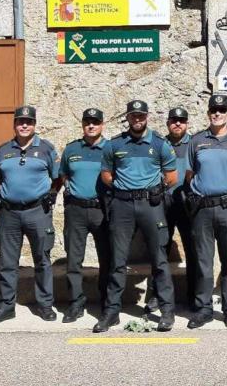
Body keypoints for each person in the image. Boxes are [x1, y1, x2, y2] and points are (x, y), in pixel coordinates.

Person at [93, 100, 177, 333]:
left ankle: (167, 311)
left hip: (150, 205)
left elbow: (172, 177)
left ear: (147, 117)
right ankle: (111, 312)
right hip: (122, 206)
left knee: (159, 260)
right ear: (128, 117)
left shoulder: (159, 144)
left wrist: (157, 190)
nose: (137, 119)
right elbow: (106, 175)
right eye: (133, 115)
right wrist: (122, 188)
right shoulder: (115, 144)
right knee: (117, 261)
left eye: (141, 115)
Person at [0, 105, 61, 324]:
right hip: (9, 213)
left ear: (34, 125)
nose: (24, 125)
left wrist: (51, 195)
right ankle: (6, 306)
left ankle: (45, 305)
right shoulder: (3, 150)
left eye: (28, 122)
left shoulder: (46, 149)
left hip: (38, 211)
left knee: (42, 259)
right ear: (15, 125)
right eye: (20, 122)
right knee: (8, 262)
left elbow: (58, 178)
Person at [185, 95, 227, 329]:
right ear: (208, 113)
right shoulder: (196, 140)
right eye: (213, 110)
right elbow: (189, 173)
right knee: (203, 261)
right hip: (202, 208)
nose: (217, 114)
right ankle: (203, 309)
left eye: (222, 110)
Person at [59, 107, 112, 323]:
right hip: (76, 211)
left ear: (102, 125)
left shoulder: (110, 148)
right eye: (87, 122)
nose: (91, 126)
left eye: (95, 122)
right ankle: (76, 303)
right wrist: (72, 191)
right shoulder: (71, 149)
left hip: (102, 209)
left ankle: (107, 302)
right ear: (82, 124)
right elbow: (63, 175)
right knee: (74, 259)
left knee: (107, 258)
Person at [144, 106, 195, 314]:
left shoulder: (195, 144)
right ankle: (157, 295)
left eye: (181, 120)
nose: (177, 123)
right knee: (159, 250)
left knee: (193, 251)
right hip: (163, 204)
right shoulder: (160, 144)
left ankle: (194, 295)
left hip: (187, 204)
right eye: (174, 120)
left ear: (187, 123)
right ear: (168, 123)